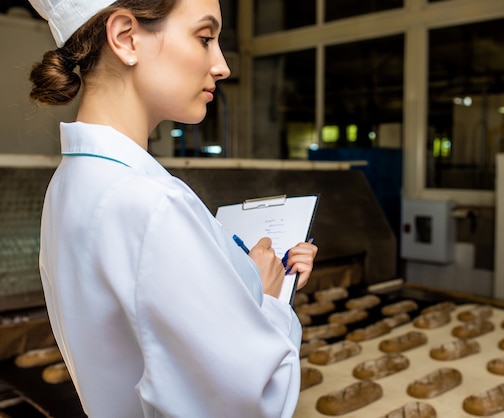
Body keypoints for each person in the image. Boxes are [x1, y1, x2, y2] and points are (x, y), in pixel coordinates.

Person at [27, 0, 318, 417]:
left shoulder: (70, 183)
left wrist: (241, 277)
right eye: (204, 38)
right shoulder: (152, 204)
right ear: (126, 38)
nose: (222, 66)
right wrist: (269, 299)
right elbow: (246, 404)